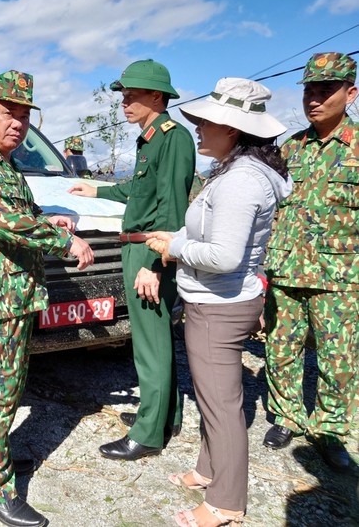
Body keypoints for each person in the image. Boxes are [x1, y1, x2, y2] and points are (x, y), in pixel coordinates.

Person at [0, 70, 94, 527]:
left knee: (1, 393)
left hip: (11, 298)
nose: (18, 123)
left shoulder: (3, 165)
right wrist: (65, 243)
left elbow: (21, 212)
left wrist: (52, 218)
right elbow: (5, 223)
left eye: (25, 115)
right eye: (9, 113)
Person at [145, 78, 292, 527]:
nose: (198, 128)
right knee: (214, 399)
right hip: (217, 301)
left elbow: (225, 255)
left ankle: (226, 502)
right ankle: (209, 470)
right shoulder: (233, 172)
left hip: (219, 305)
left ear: (233, 129)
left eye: (207, 122)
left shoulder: (240, 182)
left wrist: (175, 250)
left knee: (222, 406)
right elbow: (210, 232)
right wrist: (179, 237)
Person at [68, 59, 195, 461]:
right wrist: (97, 192)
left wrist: (155, 265)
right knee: (154, 340)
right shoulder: (150, 139)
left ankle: (147, 435)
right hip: (138, 246)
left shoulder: (173, 139)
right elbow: (137, 193)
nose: (124, 101)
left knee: (150, 345)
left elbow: (172, 211)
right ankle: (163, 417)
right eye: (123, 94)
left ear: (156, 96)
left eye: (132, 94)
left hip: (149, 250)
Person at [262, 52, 358, 473]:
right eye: (309, 91)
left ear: (350, 93)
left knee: (339, 360)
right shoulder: (290, 149)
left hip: (341, 277)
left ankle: (330, 431)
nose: (315, 99)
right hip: (285, 271)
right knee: (282, 350)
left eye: (326, 90)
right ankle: (287, 417)